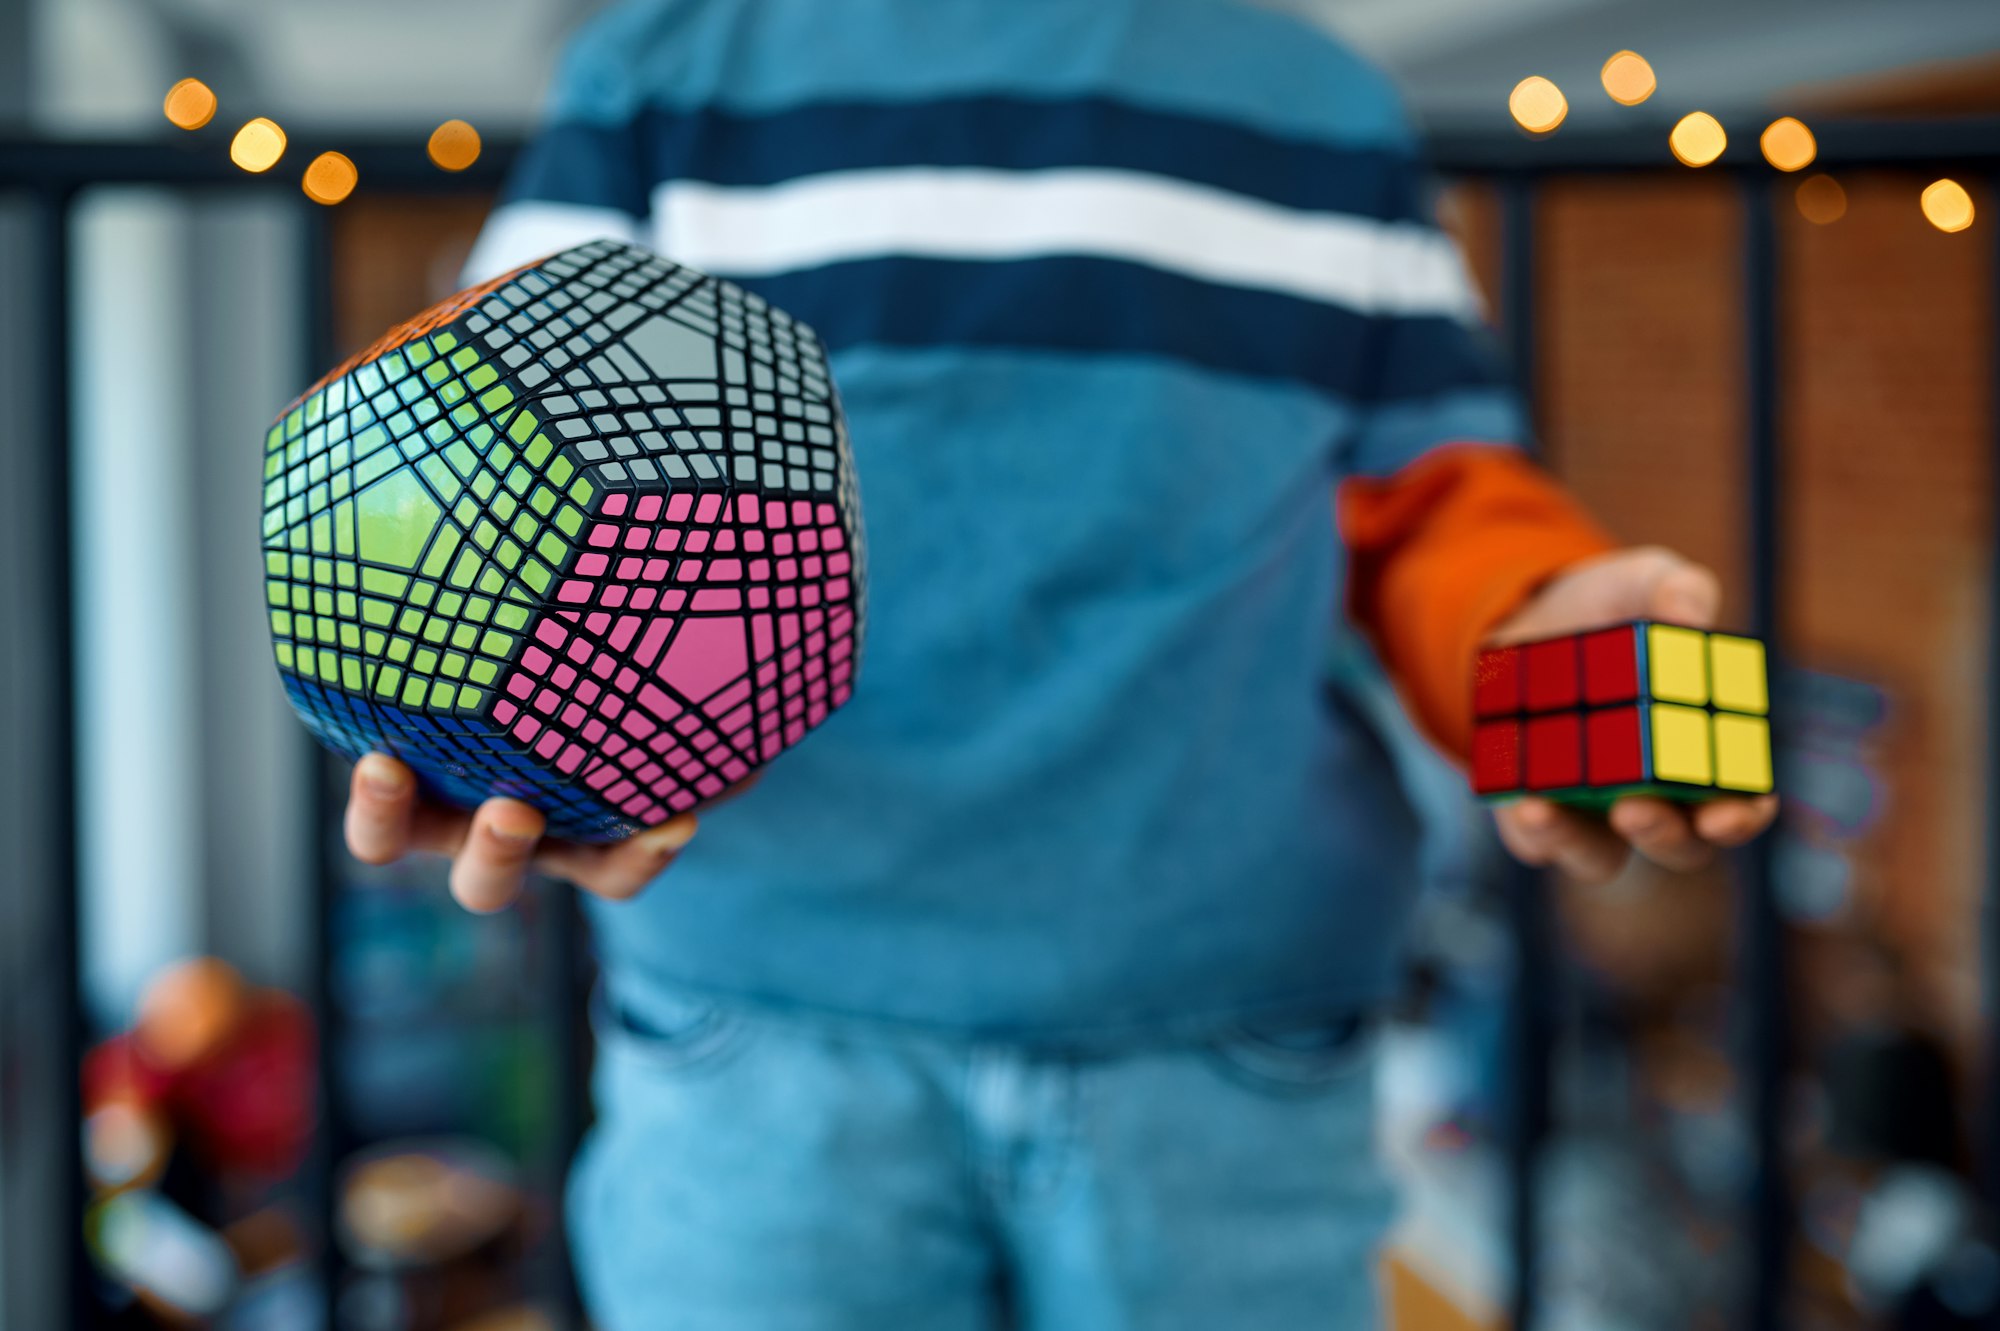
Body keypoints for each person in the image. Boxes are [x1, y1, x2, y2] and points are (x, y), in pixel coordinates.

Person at [344, 1, 1778, 1325]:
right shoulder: (661, 74)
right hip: (760, 1033)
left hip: (1225, 1045)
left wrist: (1541, 636)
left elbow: (1431, 506)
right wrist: (503, 763)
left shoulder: (1319, 108)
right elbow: (477, 473)